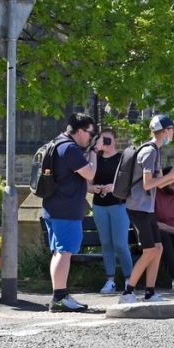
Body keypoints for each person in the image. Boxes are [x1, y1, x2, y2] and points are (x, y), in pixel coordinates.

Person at [118, 114, 174, 304]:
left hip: (146, 208)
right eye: (172, 129)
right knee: (149, 250)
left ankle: (150, 292)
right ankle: (127, 292)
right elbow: (149, 184)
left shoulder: (155, 151)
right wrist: (172, 174)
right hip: (138, 208)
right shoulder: (150, 152)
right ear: (164, 131)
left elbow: (158, 183)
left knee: (158, 248)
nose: (173, 133)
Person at [42, 113, 98, 312]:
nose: (91, 137)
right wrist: (94, 152)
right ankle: (59, 298)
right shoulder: (70, 148)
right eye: (90, 133)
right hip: (66, 210)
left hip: (53, 207)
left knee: (59, 252)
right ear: (81, 131)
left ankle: (60, 295)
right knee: (64, 253)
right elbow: (90, 173)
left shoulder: (57, 143)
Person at [88, 128, 133, 294]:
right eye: (102, 140)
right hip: (99, 205)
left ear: (115, 140)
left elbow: (129, 184)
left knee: (120, 244)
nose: (105, 143)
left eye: (108, 140)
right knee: (106, 244)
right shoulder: (95, 157)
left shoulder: (122, 158)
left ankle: (130, 280)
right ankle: (110, 280)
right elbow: (88, 184)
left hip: (118, 205)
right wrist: (95, 188)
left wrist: (114, 187)